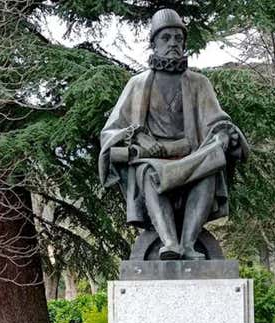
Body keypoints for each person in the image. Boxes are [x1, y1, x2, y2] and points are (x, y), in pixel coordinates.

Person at [99, 8, 248, 260]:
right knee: (146, 172)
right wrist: (136, 136)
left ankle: (189, 244)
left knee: (209, 172)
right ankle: (169, 243)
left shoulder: (199, 83)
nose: (173, 44)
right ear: (154, 43)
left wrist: (223, 135)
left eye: (178, 39)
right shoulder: (137, 84)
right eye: (166, 38)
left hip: (192, 158)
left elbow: (218, 121)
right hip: (152, 161)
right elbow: (111, 132)